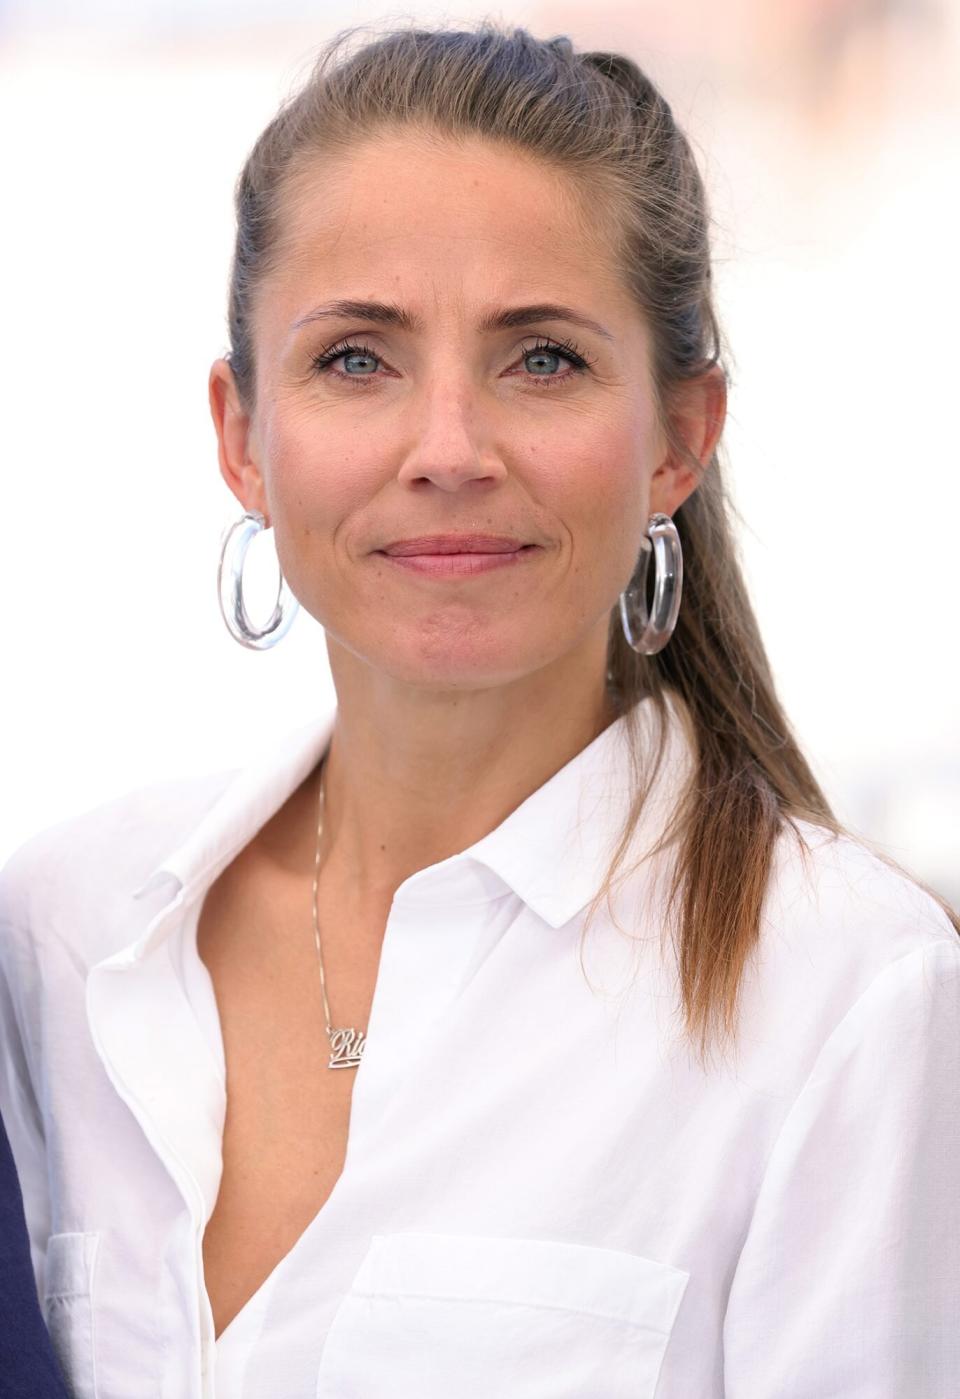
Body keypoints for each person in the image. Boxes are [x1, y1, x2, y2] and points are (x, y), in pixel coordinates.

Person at [1, 20, 958, 1399]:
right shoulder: (65, 934)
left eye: (545, 360)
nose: (449, 448)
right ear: (240, 435)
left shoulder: (845, 990)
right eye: (356, 360)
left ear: (681, 437)